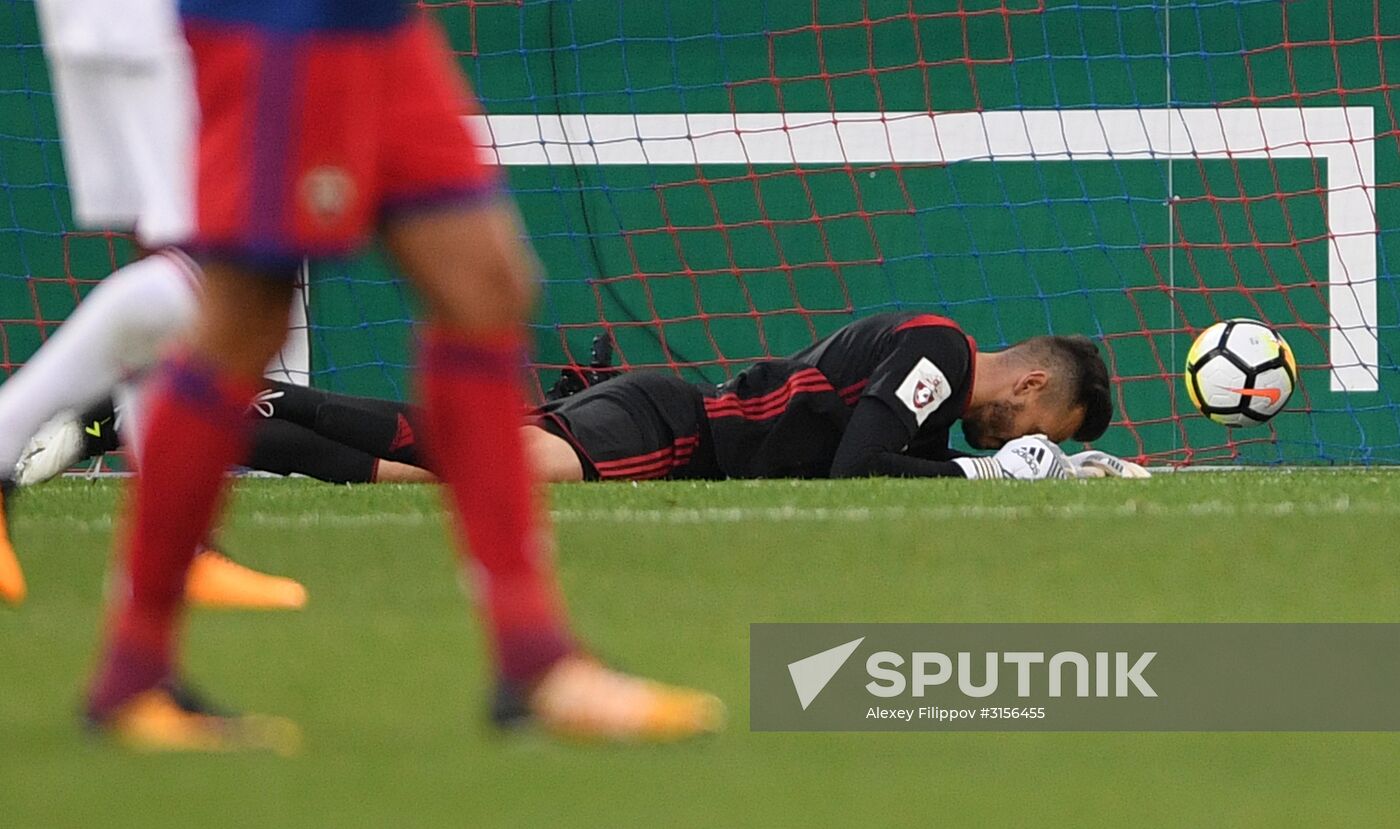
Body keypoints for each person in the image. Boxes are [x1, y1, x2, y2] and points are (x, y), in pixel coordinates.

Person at [82, 0, 722, 752]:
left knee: (484, 287)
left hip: (379, 22)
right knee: (244, 320)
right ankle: (134, 669)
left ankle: (536, 661)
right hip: (285, 23)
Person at [33, 312, 1142, 486]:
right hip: (672, 428)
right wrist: (981, 468)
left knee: (426, 460)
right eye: (1043, 426)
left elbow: (881, 453)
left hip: (667, 415)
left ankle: (171, 410)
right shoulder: (941, 355)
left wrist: (993, 465)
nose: (1021, 435)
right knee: (477, 470)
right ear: (1034, 382)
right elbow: (860, 468)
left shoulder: (934, 380)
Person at [0, 0, 306, 608]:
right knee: (212, 267)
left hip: (129, 23)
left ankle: (175, 550)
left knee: (178, 258)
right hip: (151, 24)